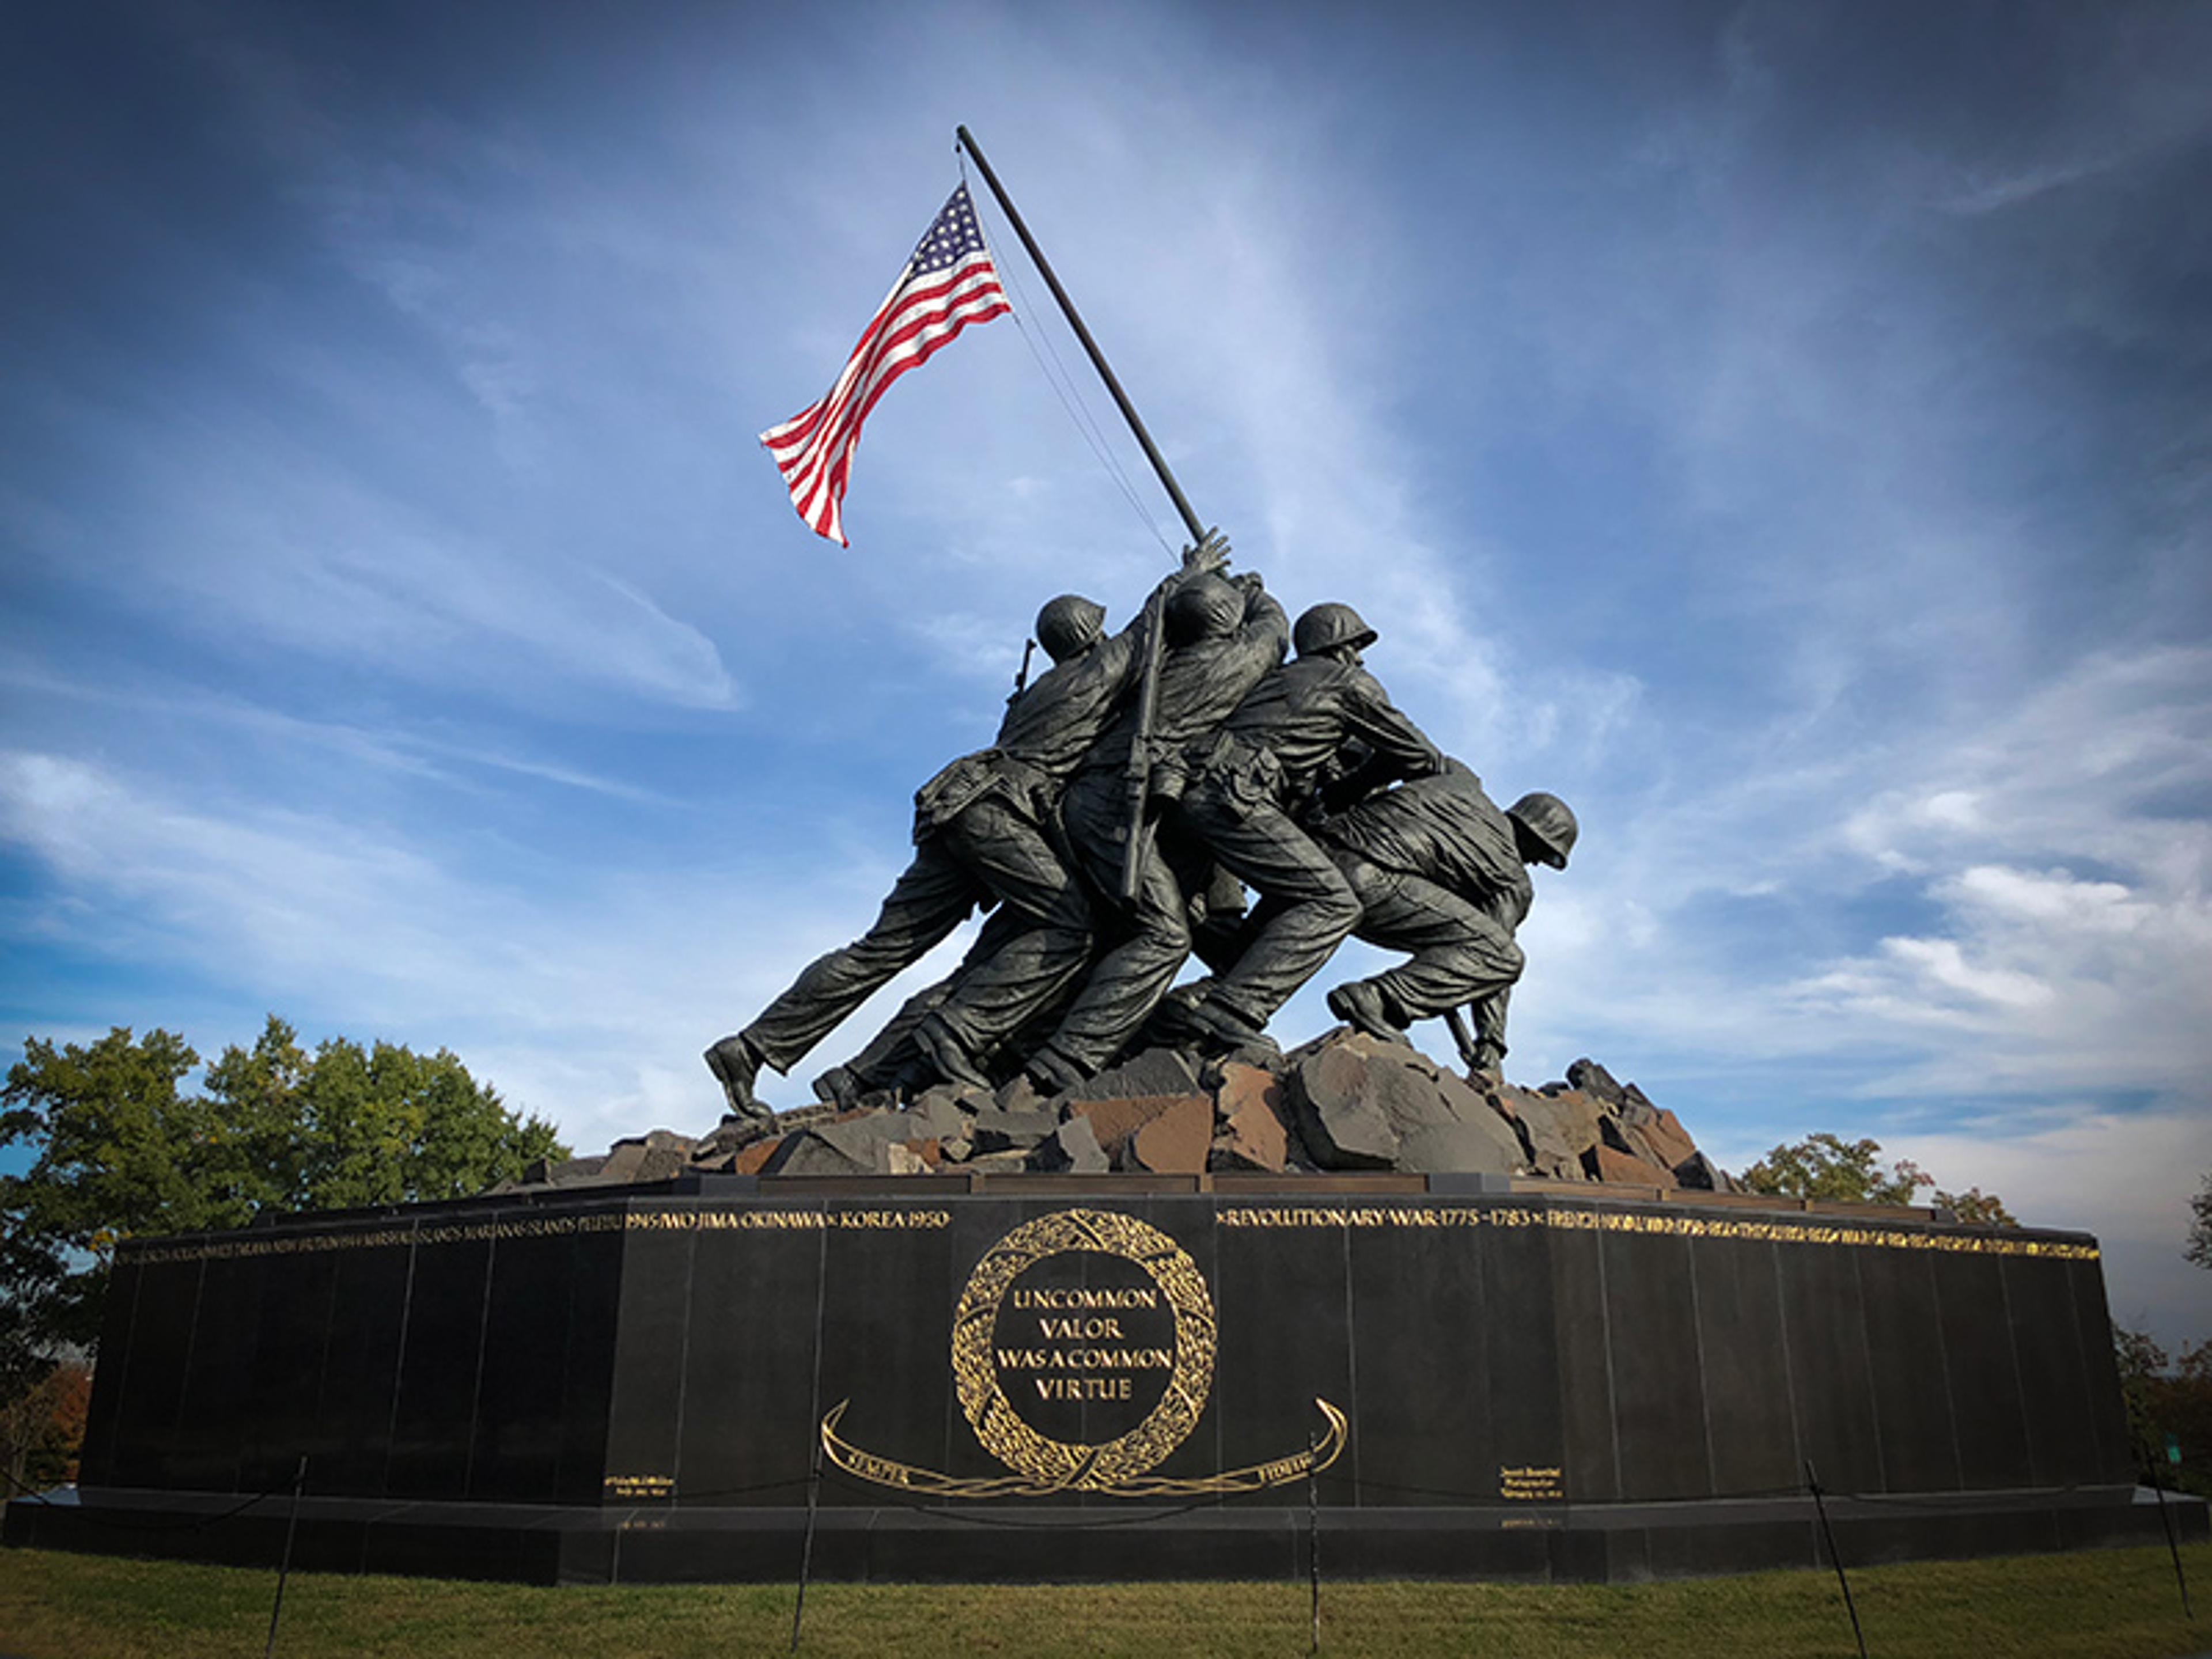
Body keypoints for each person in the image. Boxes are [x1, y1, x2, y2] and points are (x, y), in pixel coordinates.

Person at [703, 537, 1227, 1124]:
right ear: (1089, 638)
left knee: (880, 950)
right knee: (1069, 923)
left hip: (956, 806)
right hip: (996, 813)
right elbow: (1146, 634)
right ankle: (958, 1035)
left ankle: (752, 1046)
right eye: (1099, 632)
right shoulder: (1092, 674)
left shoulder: (1033, 697)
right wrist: (1189, 576)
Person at [1020, 570, 1288, 1094]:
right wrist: (1253, 591)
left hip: (1098, 805)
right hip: (1113, 805)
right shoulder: (1229, 662)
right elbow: (1274, 632)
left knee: (1145, 929)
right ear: (1226, 620)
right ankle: (1065, 1060)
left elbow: (1140, 637)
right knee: (1165, 934)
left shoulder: (1151, 671)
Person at [1167, 601, 1442, 1050]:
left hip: (1191, 791)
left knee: (1176, 921)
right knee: (1333, 902)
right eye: (1356, 647)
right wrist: (1353, 788)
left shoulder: (1275, 680)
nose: (1360, 658)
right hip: (1235, 796)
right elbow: (1420, 756)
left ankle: (1186, 1008)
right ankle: (1230, 1010)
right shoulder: (1349, 683)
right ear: (1339, 647)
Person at [1308, 761, 1576, 1074]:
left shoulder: (1460, 781)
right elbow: (1494, 956)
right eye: (1544, 853)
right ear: (1534, 837)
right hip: (1368, 880)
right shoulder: (1512, 878)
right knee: (1504, 957)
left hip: (1317, 850)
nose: (1538, 864)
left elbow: (1398, 757)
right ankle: (1377, 999)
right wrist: (1491, 1042)